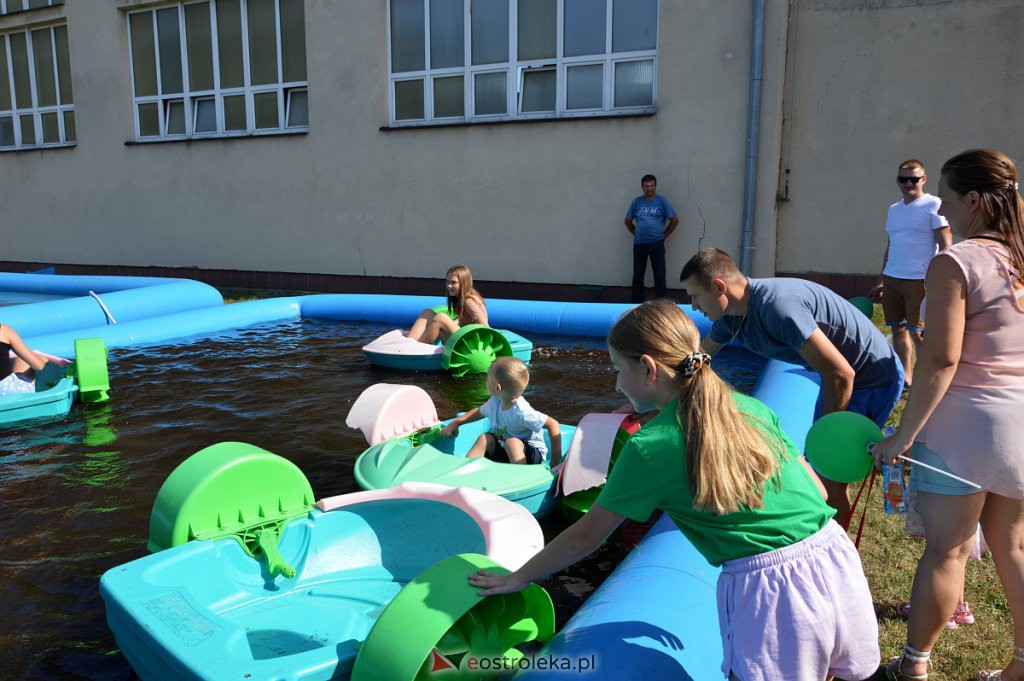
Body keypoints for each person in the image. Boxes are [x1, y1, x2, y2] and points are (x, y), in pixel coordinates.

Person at [468, 301, 879, 680]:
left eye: (617, 369)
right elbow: (817, 492)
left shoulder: (651, 446)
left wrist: (519, 577)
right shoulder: (752, 408)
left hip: (769, 593)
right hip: (836, 560)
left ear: (648, 368)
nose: (616, 385)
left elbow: (586, 537)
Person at [873, 149, 1024, 681]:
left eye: (948, 198)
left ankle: (914, 665)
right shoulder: (1020, 258)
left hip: (963, 427)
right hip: (1018, 422)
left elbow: (940, 359)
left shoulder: (954, 262)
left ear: (974, 200)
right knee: (1013, 546)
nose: (942, 211)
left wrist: (902, 435)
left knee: (946, 551)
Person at [680, 248, 904, 526]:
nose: (693, 306)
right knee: (822, 470)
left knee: (829, 472)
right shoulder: (732, 317)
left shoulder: (778, 308)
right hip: (837, 376)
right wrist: (664, 383)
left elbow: (842, 374)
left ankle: (835, 549)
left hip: (871, 377)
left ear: (718, 287)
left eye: (695, 296)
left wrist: (827, 437)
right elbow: (701, 357)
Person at [869, 160, 953, 389]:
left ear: (923, 179)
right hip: (892, 278)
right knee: (898, 329)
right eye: (903, 179)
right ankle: (906, 378)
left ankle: (930, 381)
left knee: (919, 333)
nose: (908, 183)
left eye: (914, 179)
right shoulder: (894, 209)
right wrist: (881, 280)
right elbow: (891, 246)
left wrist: (940, 278)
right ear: (897, 180)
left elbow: (946, 245)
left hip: (919, 280)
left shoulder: (933, 204)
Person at [441, 357, 561, 467]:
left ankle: (520, 477)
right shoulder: (495, 401)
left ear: (498, 388)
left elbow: (553, 424)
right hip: (505, 450)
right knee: (484, 438)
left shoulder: (522, 412)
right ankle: (466, 470)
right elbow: (478, 413)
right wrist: (457, 422)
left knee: (512, 443)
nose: (485, 380)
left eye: (488, 378)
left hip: (530, 455)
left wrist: (555, 460)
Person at [625, 174, 679, 303]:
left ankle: (661, 302)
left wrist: (664, 235)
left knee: (659, 275)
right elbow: (627, 222)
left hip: (656, 244)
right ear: (642, 187)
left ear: (655, 186)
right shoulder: (636, 202)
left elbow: (675, 220)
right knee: (638, 275)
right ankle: (636, 303)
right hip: (639, 245)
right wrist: (637, 234)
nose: (649, 188)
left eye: (651, 186)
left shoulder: (662, 202)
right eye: (646, 186)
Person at [406, 265, 487, 344]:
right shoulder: (463, 298)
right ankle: (409, 341)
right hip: (464, 338)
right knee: (428, 313)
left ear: (464, 283)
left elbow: (484, 324)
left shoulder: (469, 300)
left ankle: (415, 347)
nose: (449, 286)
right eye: (447, 282)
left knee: (440, 318)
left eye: (453, 282)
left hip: (469, 344)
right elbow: (459, 320)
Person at [0, 323, 48, 397]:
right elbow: (38, 367)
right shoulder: (4, 330)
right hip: (8, 393)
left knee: (21, 359)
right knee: (29, 360)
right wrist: (43, 360)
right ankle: (39, 357)